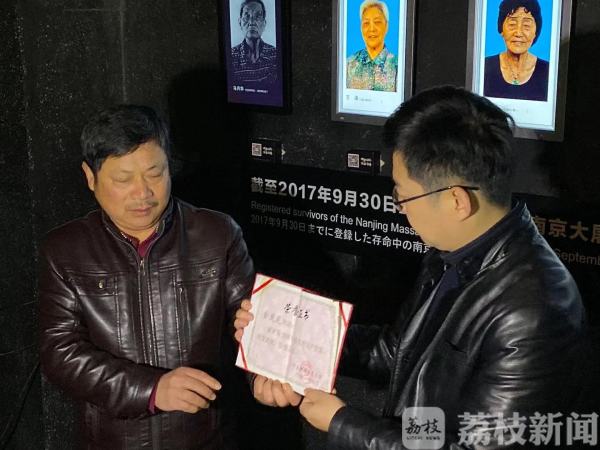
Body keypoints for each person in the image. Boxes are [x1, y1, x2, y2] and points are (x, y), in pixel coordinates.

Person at [235, 86, 587, 448]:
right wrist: (290, 335)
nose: (399, 207)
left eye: (402, 195)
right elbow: (395, 350)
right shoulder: (453, 252)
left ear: (456, 201)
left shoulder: (534, 311)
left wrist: (344, 422)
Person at [39, 105, 255, 449]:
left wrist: (266, 374)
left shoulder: (217, 235)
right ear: (90, 177)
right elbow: (60, 352)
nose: (142, 193)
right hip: (113, 441)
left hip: (207, 436)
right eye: (123, 179)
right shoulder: (66, 251)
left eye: (155, 173)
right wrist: (151, 389)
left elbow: (251, 324)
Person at [484, 0, 549, 101]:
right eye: (512, 24)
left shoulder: (548, 72)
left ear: (536, 32)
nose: (518, 33)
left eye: (526, 25)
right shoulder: (485, 67)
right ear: (501, 29)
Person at [346, 0, 398, 92]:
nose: (372, 29)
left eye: (377, 22)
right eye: (366, 23)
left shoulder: (397, 65)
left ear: (386, 26)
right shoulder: (349, 64)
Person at [231, 0, 277, 86]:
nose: (252, 22)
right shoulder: (231, 56)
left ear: (264, 23)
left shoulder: (275, 55)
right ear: (240, 22)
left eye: (258, 16)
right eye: (247, 16)